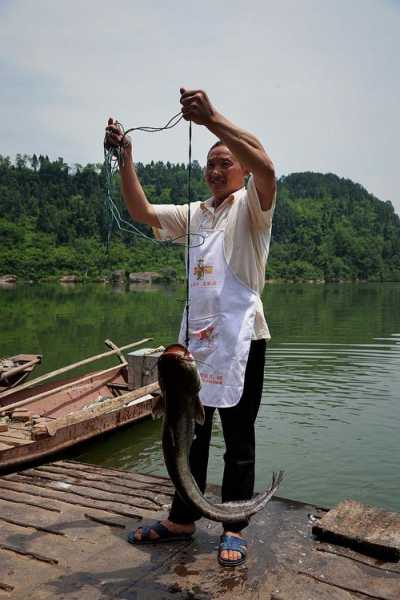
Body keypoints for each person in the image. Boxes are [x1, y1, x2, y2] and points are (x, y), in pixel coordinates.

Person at [105, 88, 276, 567]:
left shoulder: (254, 207)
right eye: (211, 163)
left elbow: (266, 167)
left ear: (240, 170)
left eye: (226, 162)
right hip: (195, 342)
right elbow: (142, 213)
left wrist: (212, 119)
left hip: (244, 340)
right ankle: (182, 518)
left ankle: (234, 527)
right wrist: (126, 159)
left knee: (239, 438)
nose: (217, 170)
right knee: (187, 434)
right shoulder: (196, 214)